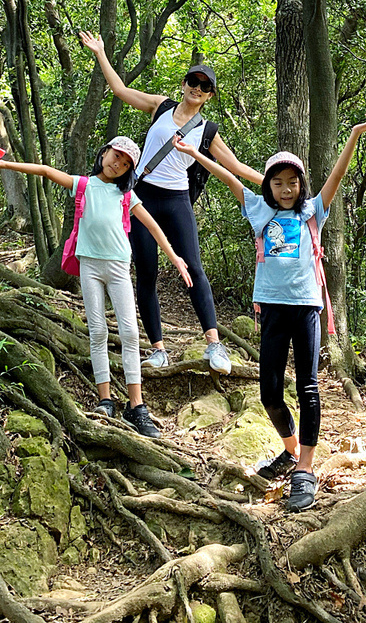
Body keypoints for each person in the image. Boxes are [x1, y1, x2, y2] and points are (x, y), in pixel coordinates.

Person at [174, 113, 366, 510]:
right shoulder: (259, 211)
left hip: (305, 307)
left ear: (301, 185)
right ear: (268, 185)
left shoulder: (312, 213)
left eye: (293, 182)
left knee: (308, 388)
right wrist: (195, 153)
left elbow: (335, 178)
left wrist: (353, 136)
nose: (286, 189)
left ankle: (305, 468)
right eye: (278, 182)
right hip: (270, 308)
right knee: (269, 392)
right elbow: (230, 178)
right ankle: (289, 449)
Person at [78, 31, 263, 374]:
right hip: (142, 197)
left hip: (177, 202)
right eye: (194, 81)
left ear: (210, 96)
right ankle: (158, 349)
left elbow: (234, 167)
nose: (197, 88)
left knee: (193, 268)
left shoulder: (207, 130)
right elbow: (120, 90)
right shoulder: (161, 107)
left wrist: (273, 184)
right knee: (146, 274)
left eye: (205, 86)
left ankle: (214, 345)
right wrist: (101, 52)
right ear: (184, 83)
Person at [0, 136, 192, 438]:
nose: (117, 163)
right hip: (90, 266)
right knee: (97, 331)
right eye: (115, 155)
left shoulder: (127, 196)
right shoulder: (83, 185)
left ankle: (137, 406)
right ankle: (105, 399)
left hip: (119, 267)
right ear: (104, 152)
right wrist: (2, 164)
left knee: (131, 333)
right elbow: (44, 170)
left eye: (124, 163)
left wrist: (175, 256)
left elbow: (151, 225)